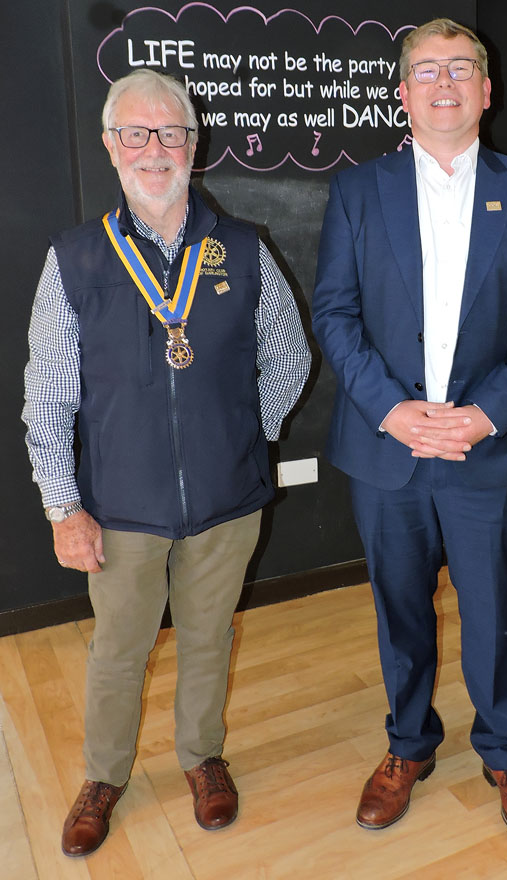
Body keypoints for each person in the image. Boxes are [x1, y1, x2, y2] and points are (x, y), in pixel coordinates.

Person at [21, 68, 310, 857]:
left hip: (228, 501)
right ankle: (106, 774)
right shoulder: (76, 260)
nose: (156, 150)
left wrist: (248, 437)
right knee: (119, 651)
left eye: (171, 132)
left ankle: (201, 757)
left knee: (210, 637)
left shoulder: (244, 249)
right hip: (120, 509)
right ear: (112, 146)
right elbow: (46, 396)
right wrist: (61, 505)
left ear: (194, 144)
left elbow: (288, 359)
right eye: (137, 134)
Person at [312, 18, 507, 842]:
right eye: (427, 70)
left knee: (494, 605)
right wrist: (391, 410)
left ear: (486, 91)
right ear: (403, 92)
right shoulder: (358, 191)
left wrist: (483, 413)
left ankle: (502, 748)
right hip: (388, 446)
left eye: (462, 68)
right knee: (400, 607)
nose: (445, 82)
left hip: (485, 447)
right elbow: (336, 311)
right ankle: (408, 744)